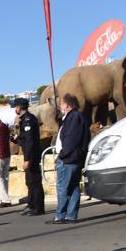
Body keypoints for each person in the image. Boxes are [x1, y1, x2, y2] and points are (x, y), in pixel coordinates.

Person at [49, 94, 89, 224]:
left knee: (63, 188)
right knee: (73, 187)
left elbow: (71, 139)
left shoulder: (74, 117)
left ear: (67, 105)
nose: (60, 106)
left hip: (69, 159)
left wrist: (62, 155)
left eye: (61, 103)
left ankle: (60, 215)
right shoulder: (72, 117)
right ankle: (70, 216)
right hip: (72, 158)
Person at [11, 98, 44, 216]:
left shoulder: (28, 120)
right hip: (29, 154)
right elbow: (25, 139)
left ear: (20, 107)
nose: (15, 109)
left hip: (32, 155)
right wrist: (16, 139)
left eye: (16, 107)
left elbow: (30, 141)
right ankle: (31, 204)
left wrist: (27, 159)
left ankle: (38, 207)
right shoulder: (24, 120)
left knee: (34, 181)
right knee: (29, 181)